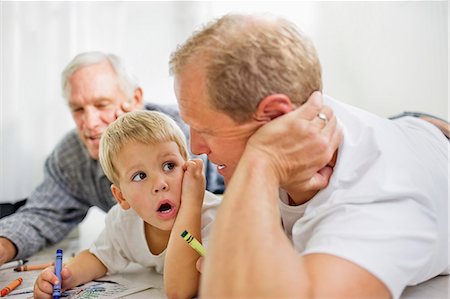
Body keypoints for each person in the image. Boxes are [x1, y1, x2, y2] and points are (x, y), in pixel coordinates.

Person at [169, 14, 449, 298]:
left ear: (276, 116)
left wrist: (262, 160)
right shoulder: (301, 112)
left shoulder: (380, 198)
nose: (196, 147)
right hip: (410, 128)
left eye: (205, 129)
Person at [0, 52, 224, 266]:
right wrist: (4, 245)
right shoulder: (72, 155)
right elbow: (42, 214)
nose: (89, 122)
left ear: (135, 99)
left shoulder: (180, 129)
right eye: (78, 109)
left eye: (101, 105)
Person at [34, 110, 219, 299]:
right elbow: (99, 257)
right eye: (140, 176)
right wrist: (66, 276)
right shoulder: (124, 222)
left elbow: (180, 291)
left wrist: (191, 204)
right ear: (121, 197)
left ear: (188, 169)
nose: (160, 184)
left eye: (169, 166)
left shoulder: (214, 217)